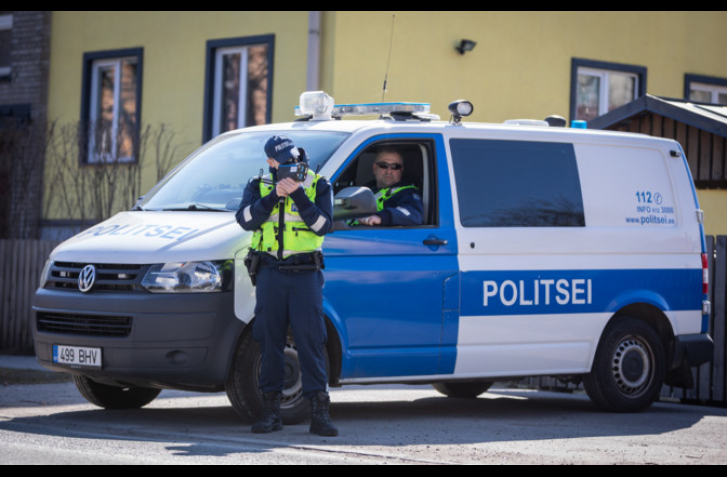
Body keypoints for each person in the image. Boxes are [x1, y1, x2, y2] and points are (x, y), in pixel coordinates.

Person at [236, 135, 337, 437]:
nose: (291, 165)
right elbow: (244, 220)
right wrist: (274, 197)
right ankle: (271, 412)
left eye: (293, 159)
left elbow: (324, 226)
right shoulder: (258, 185)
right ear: (271, 163)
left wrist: (298, 197)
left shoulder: (318, 184)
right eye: (284, 161)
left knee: (311, 342)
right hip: (270, 274)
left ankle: (320, 412)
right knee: (270, 343)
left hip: (305, 274)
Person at [354, 147, 424, 226]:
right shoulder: (364, 190)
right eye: (383, 165)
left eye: (395, 166)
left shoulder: (408, 194)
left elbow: (413, 215)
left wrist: (381, 217)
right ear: (375, 168)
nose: (389, 171)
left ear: (401, 171)